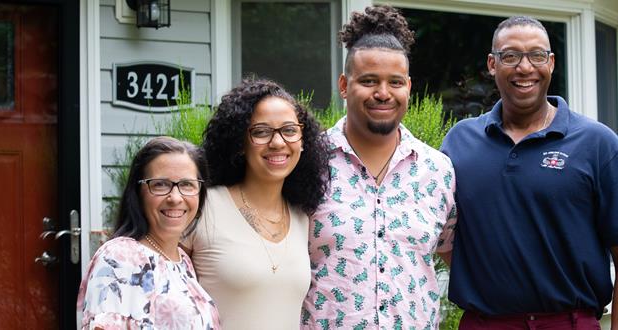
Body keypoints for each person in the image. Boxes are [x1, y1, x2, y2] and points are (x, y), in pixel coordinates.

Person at [440, 16, 618, 329]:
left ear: (551, 63)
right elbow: (443, 237)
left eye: (537, 55)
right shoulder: (459, 143)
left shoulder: (598, 144)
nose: (525, 68)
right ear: (492, 64)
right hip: (484, 323)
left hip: (569, 322)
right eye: (510, 56)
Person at [301, 5, 457, 329]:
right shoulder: (307, 162)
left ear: (409, 88)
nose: (383, 93)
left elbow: (453, 255)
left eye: (395, 82)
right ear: (344, 85)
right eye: (369, 81)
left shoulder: (438, 171)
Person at [181, 79, 329, 329]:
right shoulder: (204, 206)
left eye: (289, 130)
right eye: (261, 132)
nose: (278, 142)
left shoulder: (303, 217)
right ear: (239, 143)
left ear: (303, 141)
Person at [77, 136, 220, 329]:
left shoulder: (183, 261)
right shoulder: (120, 257)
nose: (175, 198)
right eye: (160, 184)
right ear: (138, 193)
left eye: (187, 184)